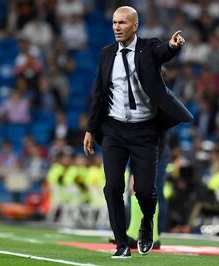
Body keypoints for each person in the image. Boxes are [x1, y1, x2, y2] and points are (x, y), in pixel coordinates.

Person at [83, 6, 192, 259]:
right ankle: (121, 244)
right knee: (112, 187)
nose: (116, 27)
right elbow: (99, 94)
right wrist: (90, 129)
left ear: (135, 26)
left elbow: (162, 52)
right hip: (113, 130)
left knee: (144, 190)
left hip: (144, 131)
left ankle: (146, 223)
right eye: (114, 23)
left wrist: (173, 46)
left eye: (122, 23)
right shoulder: (106, 54)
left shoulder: (148, 47)